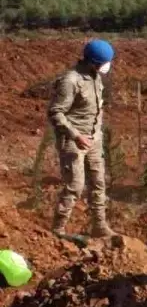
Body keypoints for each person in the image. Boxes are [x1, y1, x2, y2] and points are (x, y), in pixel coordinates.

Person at [48, 39, 116, 239]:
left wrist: (96, 136)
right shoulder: (70, 81)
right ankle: (57, 229)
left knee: (98, 183)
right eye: (103, 63)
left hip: (94, 139)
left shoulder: (96, 77)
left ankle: (99, 225)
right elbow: (56, 113)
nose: (106, 67)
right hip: (73, 140)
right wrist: (76, 135)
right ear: (92, 62)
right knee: (75, 185)